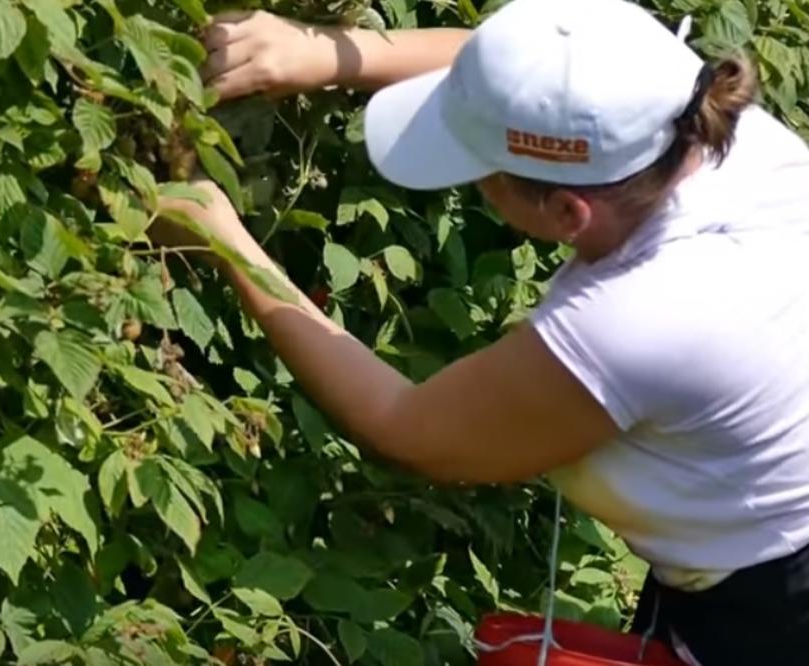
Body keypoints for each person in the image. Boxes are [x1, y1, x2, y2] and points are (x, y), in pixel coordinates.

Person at [157, 0, 809, 663]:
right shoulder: (701, 124)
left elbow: (409, 426)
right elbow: (542, 77)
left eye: (481, 172)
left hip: (773, 613)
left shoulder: (643, 319)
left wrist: (223, 237)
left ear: (565, 210)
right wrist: (323, 52)